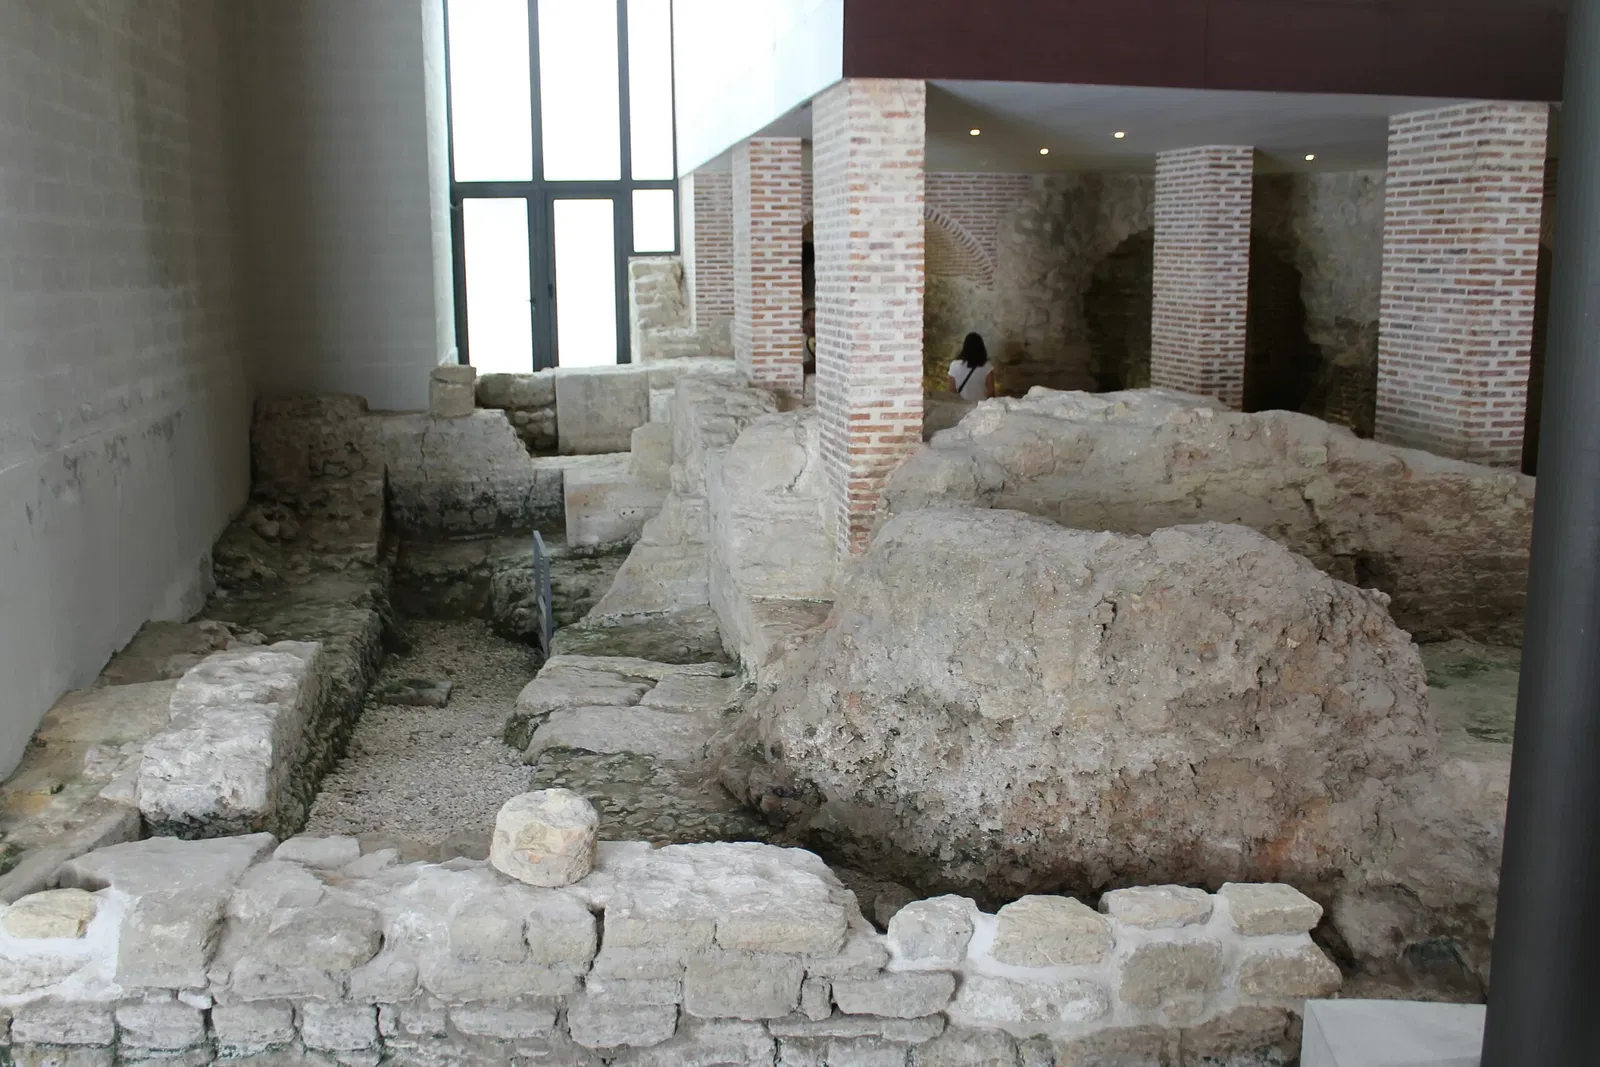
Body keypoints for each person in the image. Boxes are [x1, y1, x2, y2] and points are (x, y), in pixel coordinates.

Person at [948, 332, 995, 401]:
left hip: (960, 405)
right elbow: (991, 395)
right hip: (980, 406)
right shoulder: (987, 367)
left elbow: (951, 391)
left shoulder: (954, 365)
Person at [802, 307, 817, 376]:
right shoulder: (802, 339)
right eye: (813, 320)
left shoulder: (812, 339)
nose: (816, 323)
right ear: (805, 321)